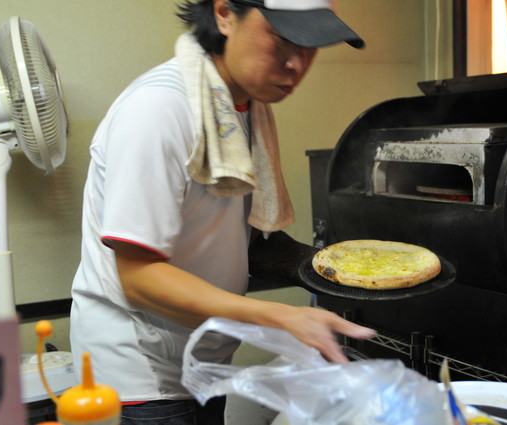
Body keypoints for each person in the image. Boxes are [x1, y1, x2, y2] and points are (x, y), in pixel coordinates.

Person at [69, 1, 374, 424]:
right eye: (282, 39)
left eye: (311, 46)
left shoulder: (240, 107)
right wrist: (282, 316)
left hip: (203, 362)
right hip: (142, 375)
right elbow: (138, 278)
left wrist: (345, 270)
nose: (296, 64)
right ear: (225, 14)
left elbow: (241, 240)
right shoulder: (159, 110)